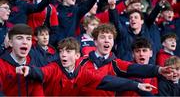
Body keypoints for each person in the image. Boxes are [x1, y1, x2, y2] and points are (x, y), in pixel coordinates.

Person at [16, 37, 156, 96]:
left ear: (77, 56)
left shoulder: (83, 73)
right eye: (61, 51)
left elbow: (108, 81)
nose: (63, 55)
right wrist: (29, 70)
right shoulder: (54, 67)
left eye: (68, 51)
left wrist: (137, 86)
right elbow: (41, 72)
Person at [78, 23, 172, 96]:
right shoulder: (81, 62)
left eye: (110, 38)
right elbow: (103, 80)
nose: (107, 40)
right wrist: (136, 85)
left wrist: (158, 70)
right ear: (95, 42)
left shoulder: (116, 63)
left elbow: (135, 68)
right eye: (102, 37)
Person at [0, 24, 44, 96]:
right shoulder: (1, 65)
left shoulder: (36, 63)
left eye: (28, 39)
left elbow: (38, 90)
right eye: (19, 38)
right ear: (10, 43)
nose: (25, 42)